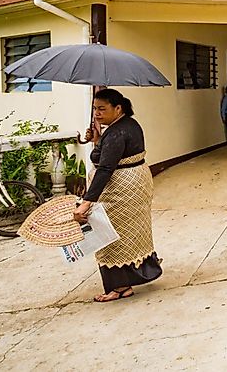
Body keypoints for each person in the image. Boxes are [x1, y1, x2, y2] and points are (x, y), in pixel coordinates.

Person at [73, 89, 162, 302]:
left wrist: (86, 203)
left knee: (110, 236)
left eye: (102, 109)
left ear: (118, 108)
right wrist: (97, 140)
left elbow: (105, 169)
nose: (96, 113)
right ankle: (130, 280)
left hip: (119, 190)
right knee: (131, 233)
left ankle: (119, 287)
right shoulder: (128, 125)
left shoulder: (115, 133)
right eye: (95, 108)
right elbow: (110, 153)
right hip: (136, 184)